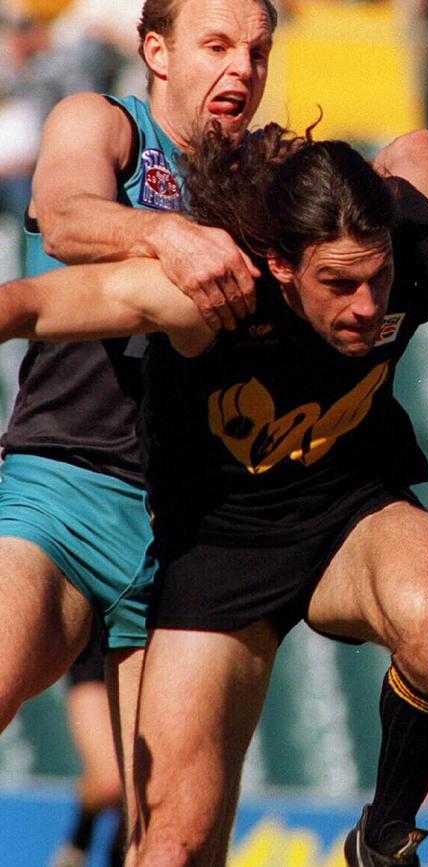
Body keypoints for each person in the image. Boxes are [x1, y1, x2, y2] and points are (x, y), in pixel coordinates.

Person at [0, 123, 428, 867]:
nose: (363, 304)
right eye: (338, 284)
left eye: (374, 278)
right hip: (218, 557)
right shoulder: (214, 294)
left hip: (352, 514)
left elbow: (421, 148)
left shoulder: (416, 257)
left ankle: (383, 840)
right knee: (174, 849)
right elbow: (28, 307)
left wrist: (398, 166)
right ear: (282, 263)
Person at [0, 0, 277, 846]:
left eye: (259, 51)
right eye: (219, 44)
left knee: (179, 841)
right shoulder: (105, 122)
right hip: (66, 481)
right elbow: (66, 211)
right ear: (156, 49)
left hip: (198, 527)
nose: (242, 68)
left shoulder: (270, 184)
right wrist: (170, 234)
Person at [50, 640, 125, 867]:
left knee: (143, 792)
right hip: (98, 645)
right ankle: (81, 835)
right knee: (111, 782)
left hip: (163, 644)